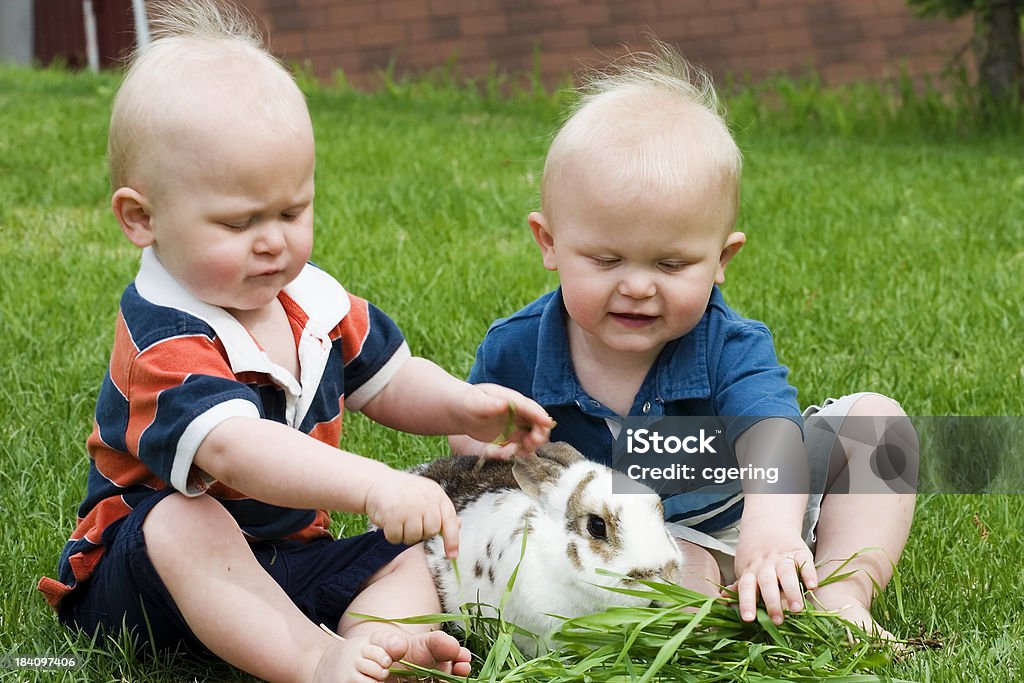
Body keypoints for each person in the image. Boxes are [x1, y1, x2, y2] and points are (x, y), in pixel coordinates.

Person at [36, 2, 553, 681]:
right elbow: (241, 452)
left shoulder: (311, 300)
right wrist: (373, 483)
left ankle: (381, 642)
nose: (274, 239)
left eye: (290, 210)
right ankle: (316, 660)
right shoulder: (161, 338)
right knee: (183, 522)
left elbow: (391, 380)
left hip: (281, 562)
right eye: (238, 221)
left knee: (417, 552)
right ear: (142, 219)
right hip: (146, 581)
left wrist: (464, 407)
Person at [450, 44, 918, 639]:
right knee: (668, 586)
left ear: (722, 259)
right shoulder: (515, 352)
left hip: (764, 507)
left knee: (878, 425)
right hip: (659, 544)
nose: (638, 286)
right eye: (606, 259)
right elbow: (473, 452)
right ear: (549, 243)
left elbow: (771, 437)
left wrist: (772, 532)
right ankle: (722, 603)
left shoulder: (729, 345)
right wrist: (493, 455)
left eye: (671, 265)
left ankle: (840, 589)